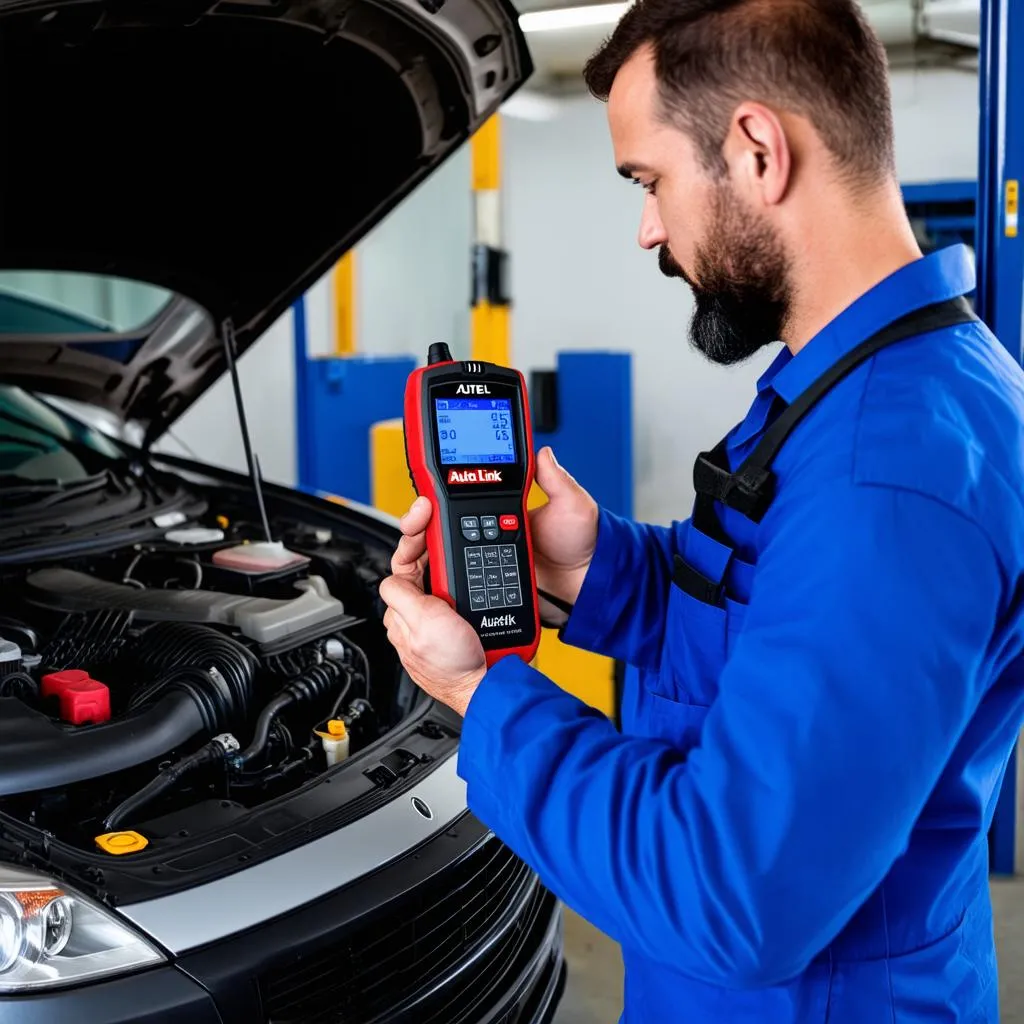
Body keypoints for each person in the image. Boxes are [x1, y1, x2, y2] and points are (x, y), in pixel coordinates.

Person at [378, 0, 1024, 1019]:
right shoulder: (859, 388)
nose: (648, 227)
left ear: (757, 150)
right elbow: (768, 614)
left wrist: (482, 700)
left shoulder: (889, 474)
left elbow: (728, 895)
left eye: (650, 180)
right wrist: (601, 571)